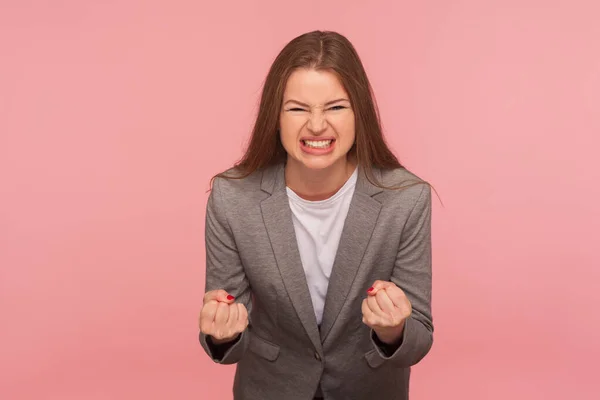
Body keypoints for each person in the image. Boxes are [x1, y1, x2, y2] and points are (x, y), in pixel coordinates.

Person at [198, 30, 433, 400]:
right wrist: (221, 332)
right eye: (297, 108)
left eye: (336, 107)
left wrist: (394, 329)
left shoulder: (406, 198)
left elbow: (419, 338)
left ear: (360, 114)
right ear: (275, 117)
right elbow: (229, 341)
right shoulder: (232, 199)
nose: (317, 125)